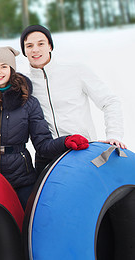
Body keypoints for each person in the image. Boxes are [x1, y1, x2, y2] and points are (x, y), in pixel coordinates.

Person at [0, 46, 89, 209]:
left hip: (21, 178)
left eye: (3, 66)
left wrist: (65, 142)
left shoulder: (28, 102)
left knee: (30, 220)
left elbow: (42, 144)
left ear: (12, 69)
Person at [20, 25, 126, 174]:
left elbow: (110, 101)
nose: (35, 50)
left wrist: (114, 135)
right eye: (29, 46)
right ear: (24, 51)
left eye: (41, 43)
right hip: (48, 156)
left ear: (50, 46)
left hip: (82, 150)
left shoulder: (76, 71)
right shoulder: (24, 84)